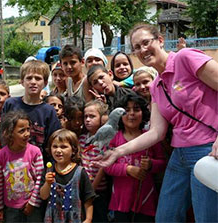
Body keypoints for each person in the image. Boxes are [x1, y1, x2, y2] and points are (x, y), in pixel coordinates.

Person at [94, 23, 218, 222]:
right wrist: (117, 152)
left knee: (206, 218)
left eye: (146, 42)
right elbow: (156, 132)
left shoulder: (186, 59)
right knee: (165, 217)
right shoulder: (156, 86)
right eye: (136, 47)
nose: (142, 50)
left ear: (160, 41)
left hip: (207, 150)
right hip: (180, 154)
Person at [103, 94, 166, 222]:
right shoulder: (113, 138)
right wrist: (128, 169)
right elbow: (107, 166)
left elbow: (163, 162)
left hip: (146, 200)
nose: (131, 113)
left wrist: (151, 165)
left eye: (136, 109)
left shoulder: (151, 138)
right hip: (120, 201)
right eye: (126, 110)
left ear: (143, 113)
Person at [2, 60, 61, 164]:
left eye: (38, 78)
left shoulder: (48, 111)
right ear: (22, 81)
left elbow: (53, 141)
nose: (33, 82)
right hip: (12, 164)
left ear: (45, 83)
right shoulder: (10, 104)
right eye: (29, 78)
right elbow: (3, 136)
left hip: (39, 167)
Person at [0, 111, 44, 222]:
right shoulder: (0, 156)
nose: (27, 134)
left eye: (28, 129)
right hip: (11, 209)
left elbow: (40, 179)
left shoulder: (35, 152)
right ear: (9, 133)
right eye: (21, 131)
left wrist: (33, 202)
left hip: (32, 207)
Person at [40, 129, 95, 223]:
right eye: (55, 146)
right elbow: (43, 196)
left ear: (73, 150)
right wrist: (47, 183)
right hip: (53, 218)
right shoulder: (48, 170)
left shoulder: (80, 172)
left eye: (63, 147)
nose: (58, 150)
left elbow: (88, 198)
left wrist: (88, 219)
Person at [79, 100, 110, 223]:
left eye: (92, 116)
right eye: (85, 116)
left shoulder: (105, 140)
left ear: (101, 118)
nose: (87, 120)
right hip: (83, 189)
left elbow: (103, 168)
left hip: (99, 191)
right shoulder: (82, 139)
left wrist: (91, 189)